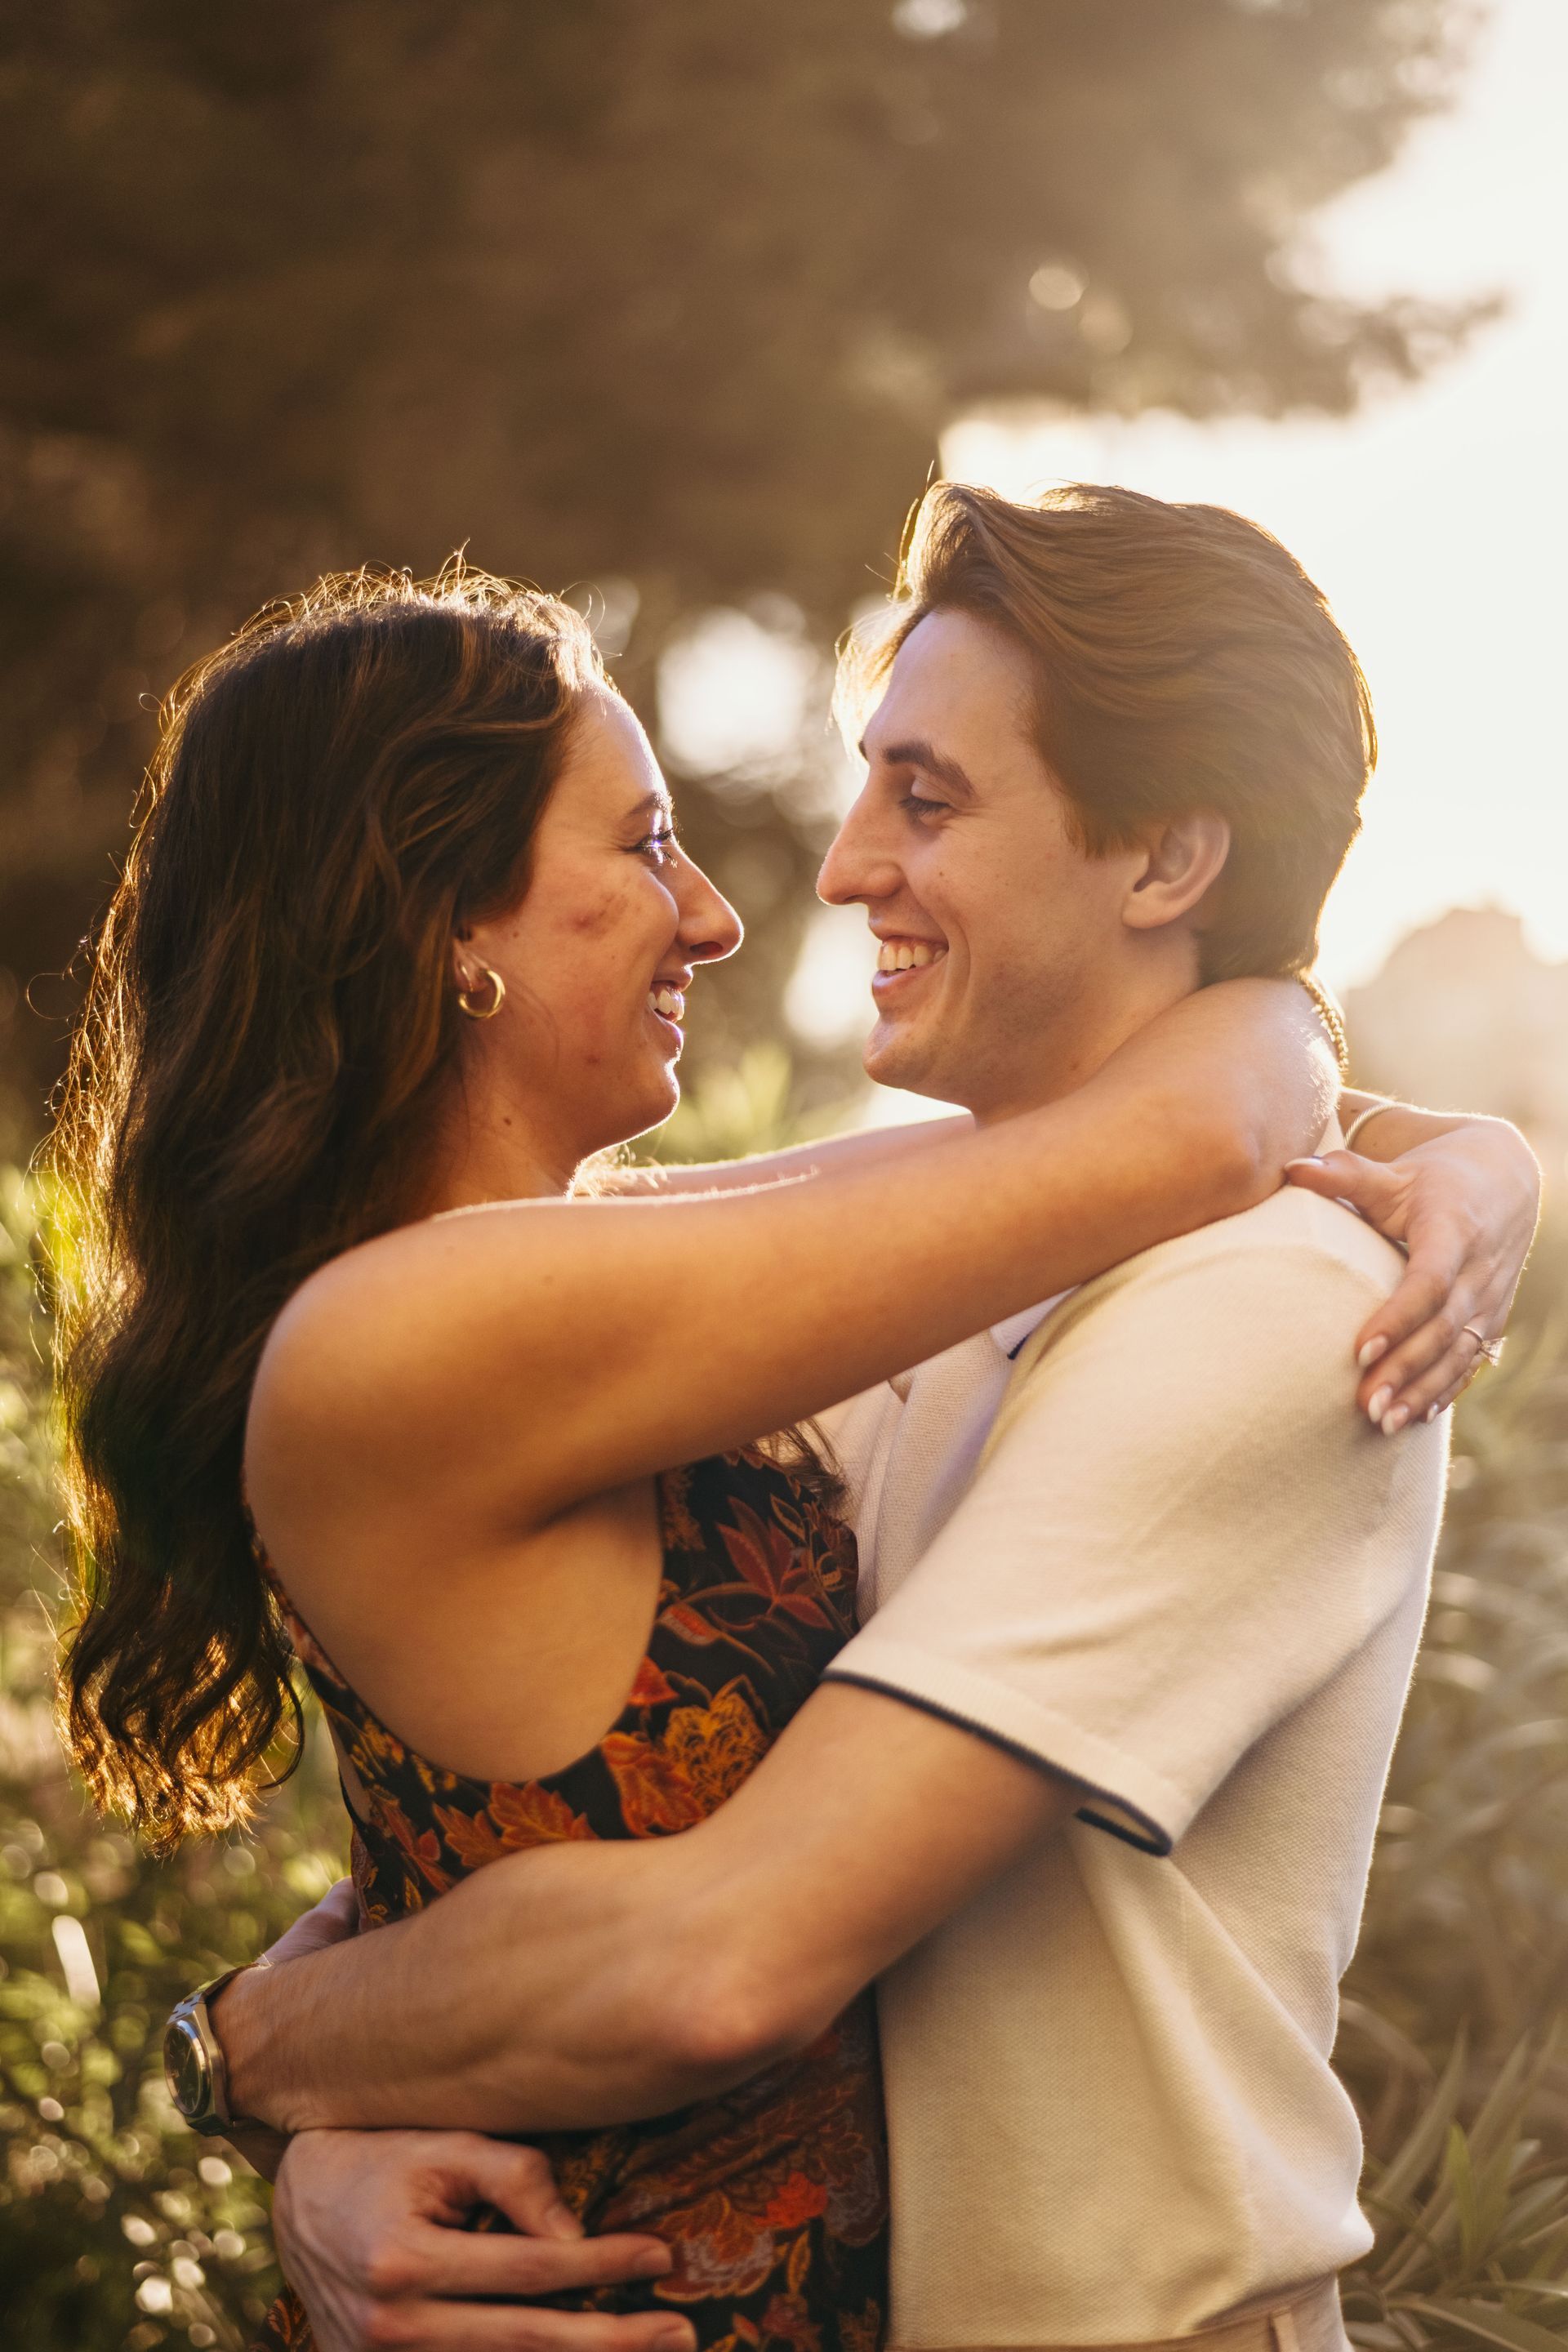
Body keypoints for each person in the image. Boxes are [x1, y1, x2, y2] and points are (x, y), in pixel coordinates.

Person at [136, 495, 1533, 2352]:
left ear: (1167, 856)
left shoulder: (1255, 1302)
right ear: (433, 923)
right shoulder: (835, 1295)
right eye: (645, 847)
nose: (798, 884)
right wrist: (282, 2098)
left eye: (928, 801)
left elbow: (710, 1945)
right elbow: (560, 1880)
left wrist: (256, 2052)